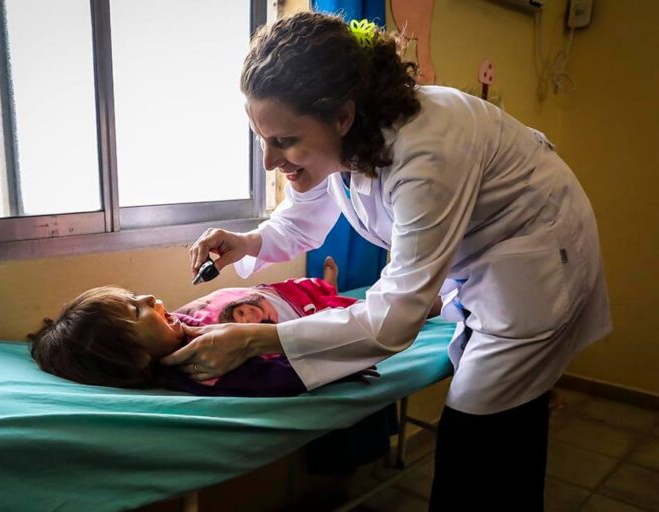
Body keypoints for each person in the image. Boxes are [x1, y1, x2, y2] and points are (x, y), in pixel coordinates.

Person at [160, 12, 612, 510]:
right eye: (261, 139)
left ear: (342, 116)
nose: (270, 160)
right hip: (482, 260)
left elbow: (393, 321)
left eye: (283, 141)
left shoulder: (426, 151)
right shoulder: (346, 142)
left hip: (537, 257)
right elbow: (303, 218)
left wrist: (255, 339)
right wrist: (247, 243)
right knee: (510, 419)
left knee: (476, 442)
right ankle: (529, 408)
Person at [27, 258, 381, 396]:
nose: (150, 298)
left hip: (270, 296)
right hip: (301, 316)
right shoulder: (200, 369)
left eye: (135, 296)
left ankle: (327, 284)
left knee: (310, 289)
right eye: (137, 311)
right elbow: (280, 377)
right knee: (350, 308)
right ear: (136, 359)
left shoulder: (176, 329)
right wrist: (345, 369)